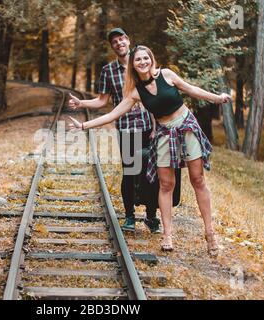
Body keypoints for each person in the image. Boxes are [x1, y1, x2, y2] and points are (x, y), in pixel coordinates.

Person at [69, 45, 231, 257]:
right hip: (165, 134)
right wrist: (83, 126)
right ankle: (167, 235)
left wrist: (217, 98)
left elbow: (192, 89)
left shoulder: (166, 75)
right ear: (133, 66)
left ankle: (210, 234)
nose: (143, 62)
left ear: (151, 59)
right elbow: (112, 114)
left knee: (197, 179)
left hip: (187, 126)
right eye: (138, 60)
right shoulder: (136, 93)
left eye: (146, 58)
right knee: (166, 184)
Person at [69, 28, 182, 234]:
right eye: (114, 41)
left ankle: (151, 216)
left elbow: (157, 94)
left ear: (128, 40)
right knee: (130, 172)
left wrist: (157, 125)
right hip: (127, 128)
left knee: (153, 173)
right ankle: (129, 216)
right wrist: (81, 102)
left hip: (149, 126)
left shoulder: (141, 62)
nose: (119, 43)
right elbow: (102, 101)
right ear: (112, 46)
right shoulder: (108, 71)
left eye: (121, 39)